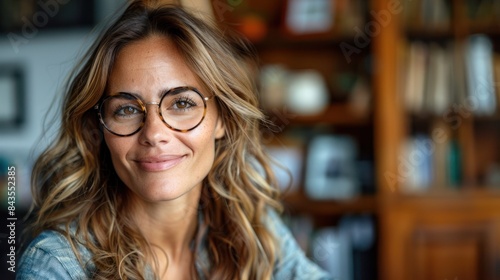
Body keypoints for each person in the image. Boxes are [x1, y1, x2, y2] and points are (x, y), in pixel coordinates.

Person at [18, 1, 333, 279]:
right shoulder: (57, 266)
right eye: (126, 109)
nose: (154, 133)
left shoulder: (250, 228)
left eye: (182, 103)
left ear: (223, 118)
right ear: (99, 128)